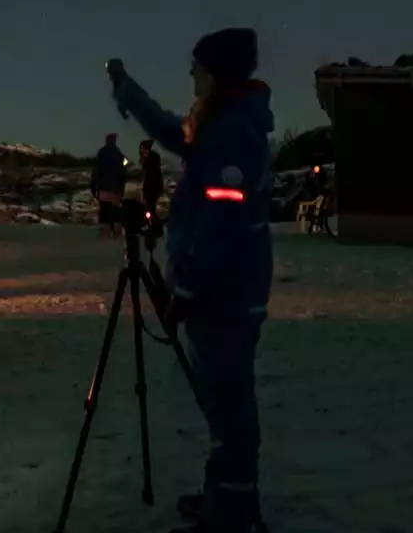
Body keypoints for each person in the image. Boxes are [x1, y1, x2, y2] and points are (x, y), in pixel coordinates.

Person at [109, 28, 274, 533]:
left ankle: (233, 516)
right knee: (224, 410)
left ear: (217, 72)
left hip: (222, 298)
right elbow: (167, 128)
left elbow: (221, 224)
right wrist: (127, 89)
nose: (190, 74)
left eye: (197, 66)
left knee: (230, 415)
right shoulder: (221, 122)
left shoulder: (231, 134)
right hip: (222, 294)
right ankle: (224, 501)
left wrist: (184, 290)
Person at [91, 132, 128, 238]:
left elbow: (96, 170)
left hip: (104, 188)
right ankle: (117, 233)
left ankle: (104, 234)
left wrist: (93, 186)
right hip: (116, 189)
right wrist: (122, 187)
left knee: (105, 211)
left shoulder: (101, 153)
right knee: (116, 212)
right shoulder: (119, 154)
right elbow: (124, 169)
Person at [138, 139, 165, 220]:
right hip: (155, 188)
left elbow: (149, 175)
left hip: (151, 188)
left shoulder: (149, 158)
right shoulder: (154, 157)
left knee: (149, 208)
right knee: (150, 208)